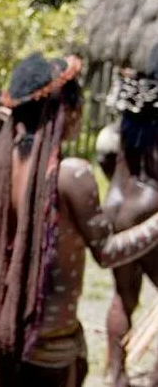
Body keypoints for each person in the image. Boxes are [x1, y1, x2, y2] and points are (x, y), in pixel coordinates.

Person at [0, 53, 158, 387]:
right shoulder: (71, 174)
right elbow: (107, 252)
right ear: (65, 109)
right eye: (78, 100)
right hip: (49, 342)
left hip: (2, 327)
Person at [103, 45, 158, 387]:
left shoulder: (132, 107)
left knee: (124, 294)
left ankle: (116, 374)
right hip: (150, 207)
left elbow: (110, 158)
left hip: (116, 204)